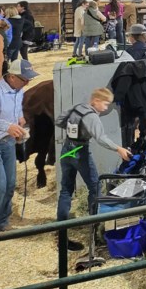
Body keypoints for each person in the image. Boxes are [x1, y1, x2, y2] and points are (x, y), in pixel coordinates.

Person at [55, 87, 132, 251]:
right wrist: (118, 148)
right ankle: (94, 226)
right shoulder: (92, 117)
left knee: (66, 189)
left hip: (67, 149)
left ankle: (62, 233)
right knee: (95, 186)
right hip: (80, 152)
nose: (106, 108)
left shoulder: (77, 108)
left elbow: (59, 120)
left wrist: (74, 131)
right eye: (105, 104)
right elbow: (101, 138)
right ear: (96, 101)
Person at [0, 58, 38, 254]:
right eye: (24, 79)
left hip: (7, 142)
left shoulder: (18, 90)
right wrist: (8, 126)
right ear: (11, 77)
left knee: (10, 183)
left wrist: (18, 119)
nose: (27, 83)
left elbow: (16, 108)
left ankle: (1, 222)